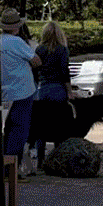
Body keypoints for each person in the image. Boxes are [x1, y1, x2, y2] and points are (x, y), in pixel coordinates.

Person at [0, 9, 39, 177]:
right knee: (20, 130)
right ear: (17, 27)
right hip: (22, 89)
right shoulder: (17, 42)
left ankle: (5, 166)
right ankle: (12, 170)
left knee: (8, 128)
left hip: (5, 90)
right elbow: (36, 60)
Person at [31, 19, 73, 171]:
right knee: (59, 126)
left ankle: (41, 160)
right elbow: (64, 72)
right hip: (58, 89)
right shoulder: (62, 50)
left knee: (41, 126)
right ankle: (57, 160)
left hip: (43, 89)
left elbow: (34, 71)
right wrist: (70, 91)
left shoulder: (39, 50)